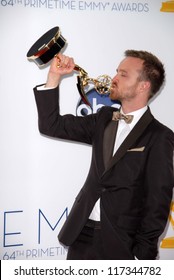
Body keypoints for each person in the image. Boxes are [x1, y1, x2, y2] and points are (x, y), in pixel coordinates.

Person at [34, 50, 174, 260]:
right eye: (117, 71)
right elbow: (51, 125)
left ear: (144, 85)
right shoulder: (104, 119)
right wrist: (54, 76)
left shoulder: (160, 136)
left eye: (124, 74)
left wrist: (142, 256)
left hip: (122, 244)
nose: (114, 78)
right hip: (81, 235)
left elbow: (157, 202)